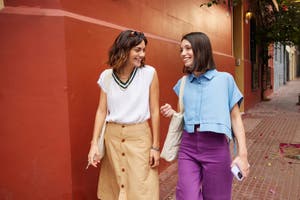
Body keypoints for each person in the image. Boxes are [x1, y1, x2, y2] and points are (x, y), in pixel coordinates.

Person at [160, 32, 250, 200]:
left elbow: (236, 119)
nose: (183, 54)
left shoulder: (225, 80)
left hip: (216, 147)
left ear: (201, 49)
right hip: (188, 146)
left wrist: (242, 154)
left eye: (188, 48)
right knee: (187, 196)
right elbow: (183, 115)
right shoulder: (183, 83)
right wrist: (173, 113)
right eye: (181, 49)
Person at [87, 30, 160, 200]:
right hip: (112, 138)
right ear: (124, 49)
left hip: (140, 138)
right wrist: (94, 144)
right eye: (137, 50)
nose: (142, 54)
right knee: (115, 187)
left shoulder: (149, 73)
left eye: (143, 50)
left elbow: (155, 111)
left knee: (142, 188)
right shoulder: (107, 76)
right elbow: (101, 111)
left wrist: (155, 147)